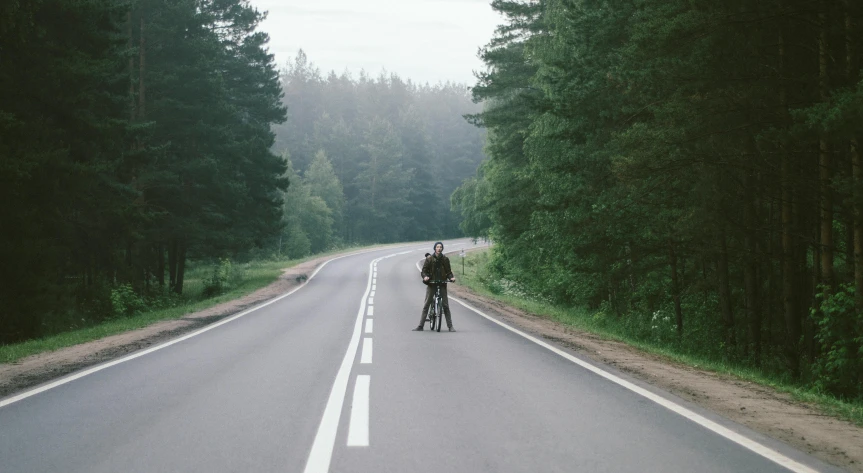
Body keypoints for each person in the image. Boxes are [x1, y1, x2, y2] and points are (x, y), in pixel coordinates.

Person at [413, 242, 456, 332]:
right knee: (426, 304)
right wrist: (425, 277)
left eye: (440, 247)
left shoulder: (445, 259)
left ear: (442, 249)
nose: (439, 248)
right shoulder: (429, 259)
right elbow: (424, 271)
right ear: (435, 248)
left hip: (442, 283)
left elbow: (448, 272)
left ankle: (450, 326)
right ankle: (420, 326)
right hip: (431, 283)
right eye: (437, 247)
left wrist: (451, 278)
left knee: (445, 305)